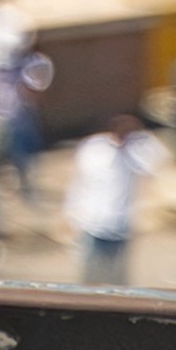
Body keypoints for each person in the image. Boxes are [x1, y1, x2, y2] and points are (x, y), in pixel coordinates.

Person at [71, 104, 155, 290]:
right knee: (88, 280)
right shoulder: (94, 148)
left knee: (119, 284)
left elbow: (152, 167)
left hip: (120, 226)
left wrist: (132, 143)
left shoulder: (139, 150)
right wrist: (72, 214)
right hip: (93, 223)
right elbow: (80, 182)